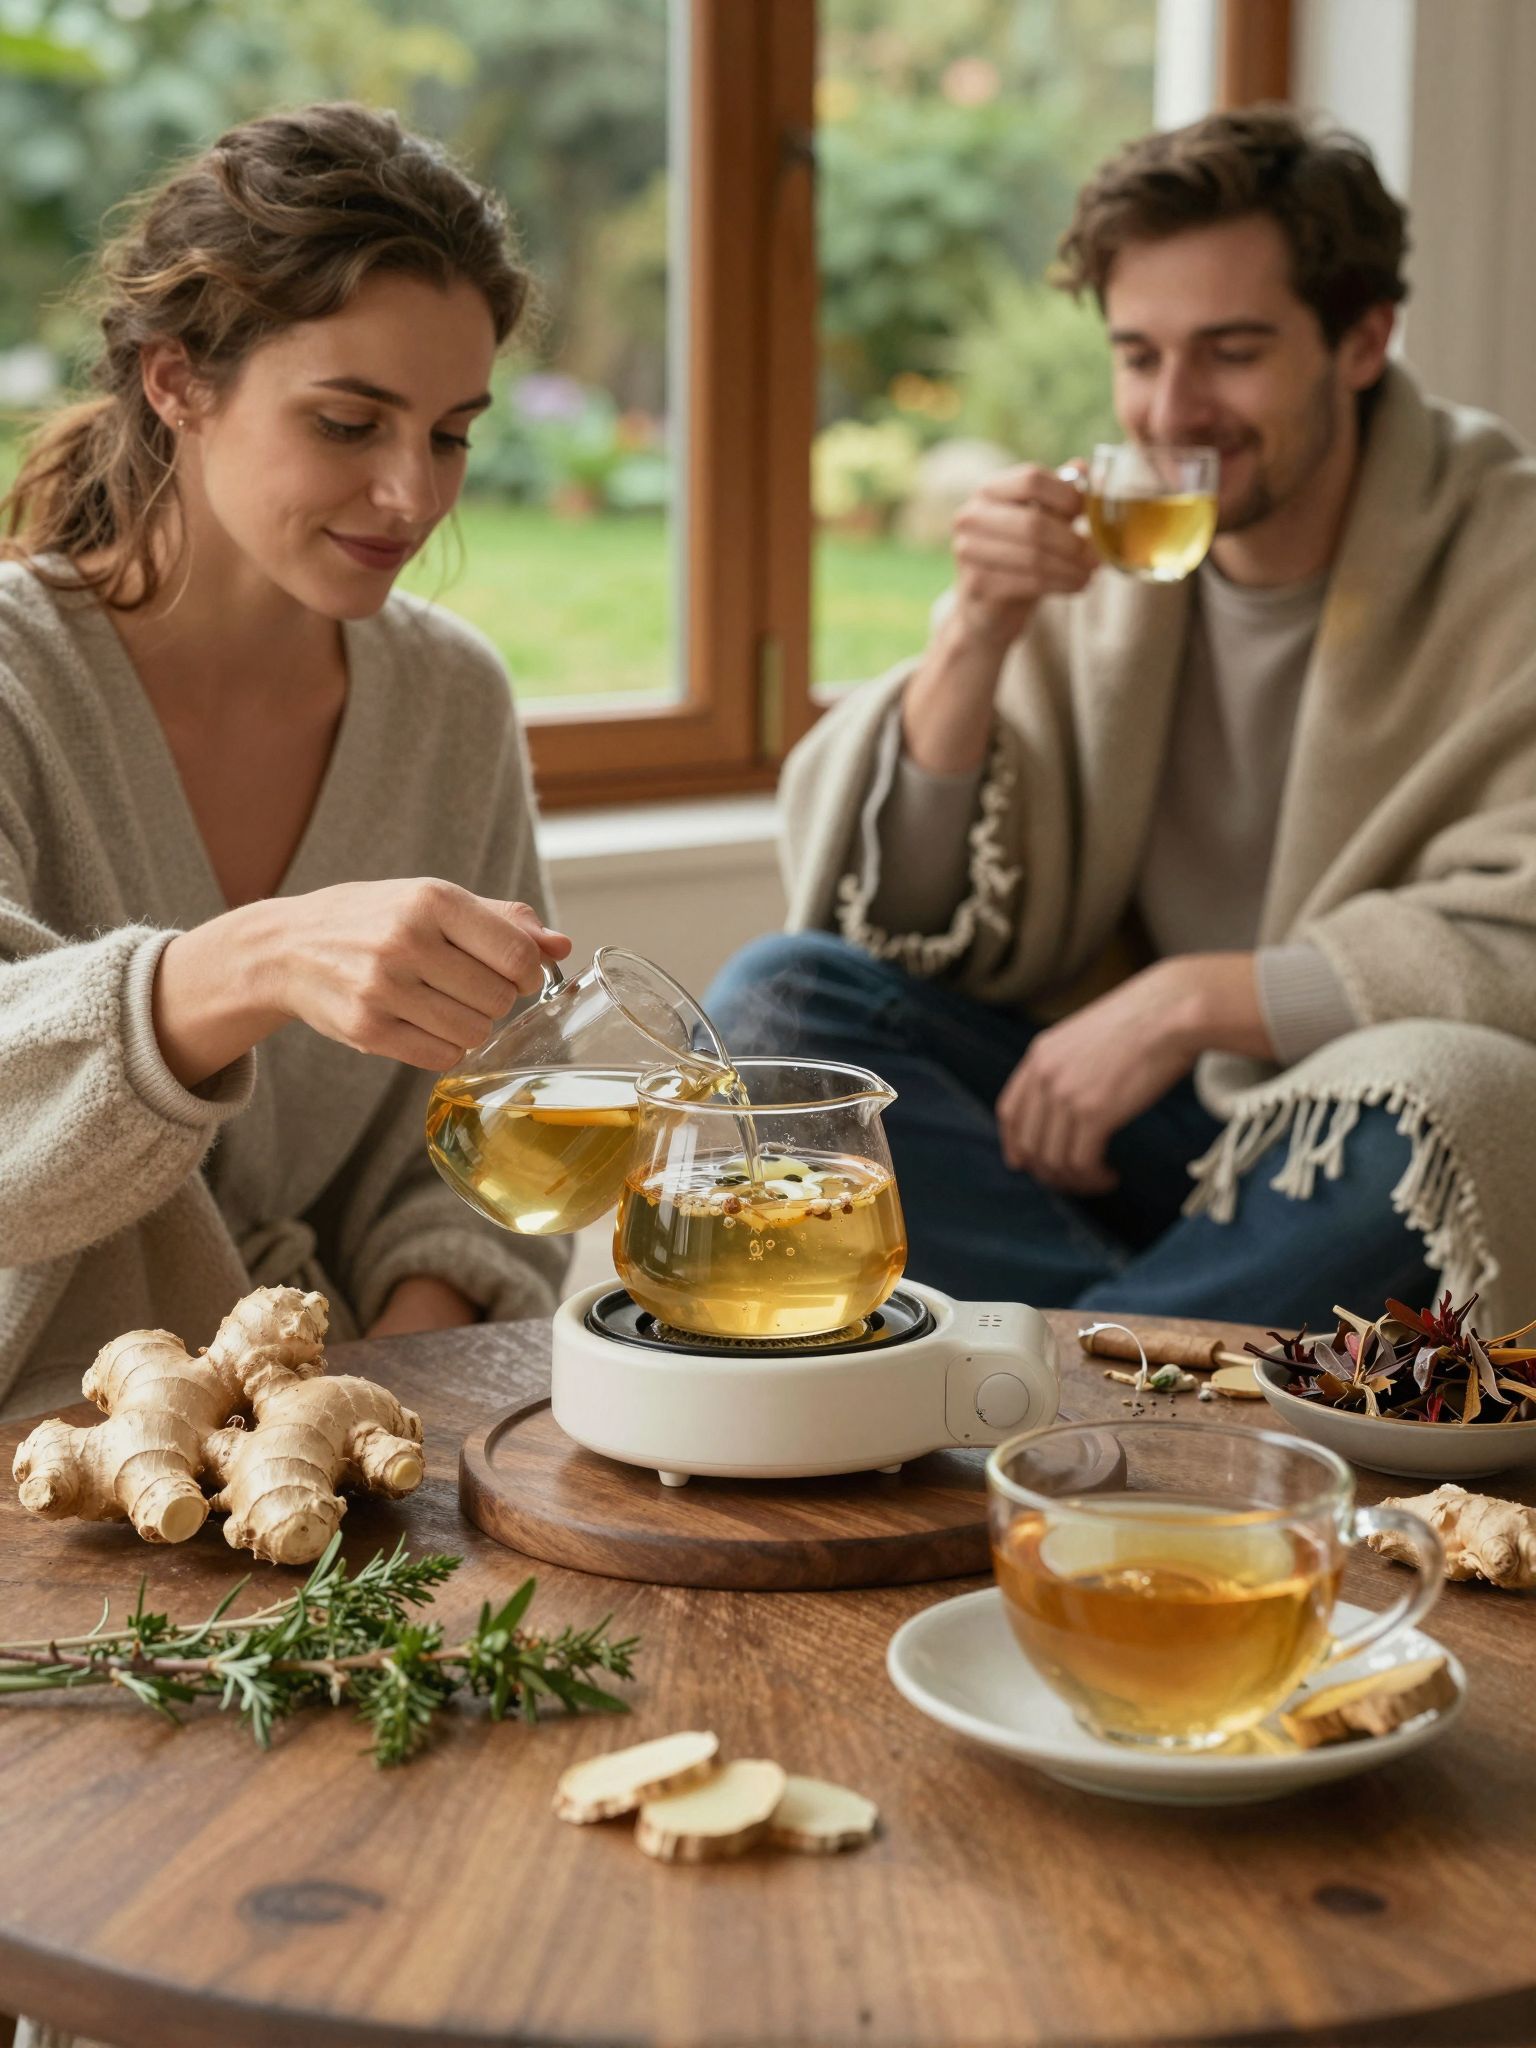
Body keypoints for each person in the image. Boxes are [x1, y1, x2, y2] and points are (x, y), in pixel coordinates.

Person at [708, 106, 1536, 1333]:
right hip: (1107, 1139)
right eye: (1139, 355)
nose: (1172, 411)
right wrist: (973, 638)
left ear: (1364, 340)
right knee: (776, 1006)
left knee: (1450, 1102)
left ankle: (1032, 1385)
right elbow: (904, 924)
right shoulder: (1097, 542)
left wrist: (1192, 999)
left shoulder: (1506, 553)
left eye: (1233, 352)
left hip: (1329, 1144)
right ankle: (1164, 1369)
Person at [0, 102, 573, 1426]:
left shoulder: (450, 700)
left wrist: (369, 1396)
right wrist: (247, 965)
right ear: (176, 382)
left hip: (345, 1441)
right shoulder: (19, 681)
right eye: (348, 423)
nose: (412, 498)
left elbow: (492, 1129)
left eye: (449, 434)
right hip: (54, 1449)